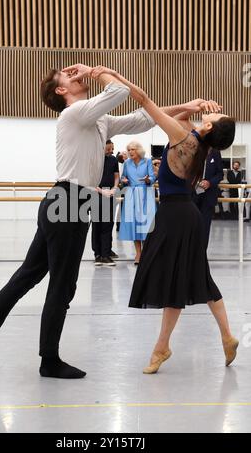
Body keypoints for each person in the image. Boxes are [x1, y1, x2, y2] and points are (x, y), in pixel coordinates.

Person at [0, 63, 194, 378]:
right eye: (68, 76)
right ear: (61, 90)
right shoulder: (74, 114)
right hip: (68, 200)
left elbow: (141, 118)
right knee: (61, 285)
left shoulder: (95, 118)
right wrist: (98, 71)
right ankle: (48, 360)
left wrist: (186, 106)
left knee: (27, 277)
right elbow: (120, 91)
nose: (77, 76)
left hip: (72, 201)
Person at [91, 66, 238, 374]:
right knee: (196, 278)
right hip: (186, 216)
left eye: (212, 118)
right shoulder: (197, 141)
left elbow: (144, 100)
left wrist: (113, 74)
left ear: (210, 128)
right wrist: (194, 104)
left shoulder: (184, 138)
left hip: (174, 216)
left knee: (175, 280)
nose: (207, 115)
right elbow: (184, 117)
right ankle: (222, 336)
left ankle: (163, 348)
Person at [118, 141, 156, 264]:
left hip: (145, 193)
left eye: (132, 149)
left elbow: (152, 177)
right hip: (131, 195)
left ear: (138, 150)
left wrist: (147, 180)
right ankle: (138, 254)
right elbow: (123, 178)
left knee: (145, 223)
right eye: (128, 150)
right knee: (134, 225)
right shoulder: (127, 163)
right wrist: (123, 180)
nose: (130, 152)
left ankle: (147, 252)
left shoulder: (147, 161)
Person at [92, 140, 120, 266]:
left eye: (112, 148)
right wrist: (102, 192)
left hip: (109, 194)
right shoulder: (94, 160)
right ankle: (98, 254)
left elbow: (116, 176)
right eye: (108, 149)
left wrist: (114, 188)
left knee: (108, 225)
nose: (111, 151)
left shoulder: (113, 160)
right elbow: (90, 180)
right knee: (97, 225)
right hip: (96, 194)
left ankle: (106, 253)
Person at [192, 148, 224, 248]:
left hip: (209, 196)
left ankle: (202, 255)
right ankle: (190, 254)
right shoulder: (194, 150)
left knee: (205, 227)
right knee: (192, 226)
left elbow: (220, 174)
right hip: (192, 195)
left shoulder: (215, 152)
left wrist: (209, 182)